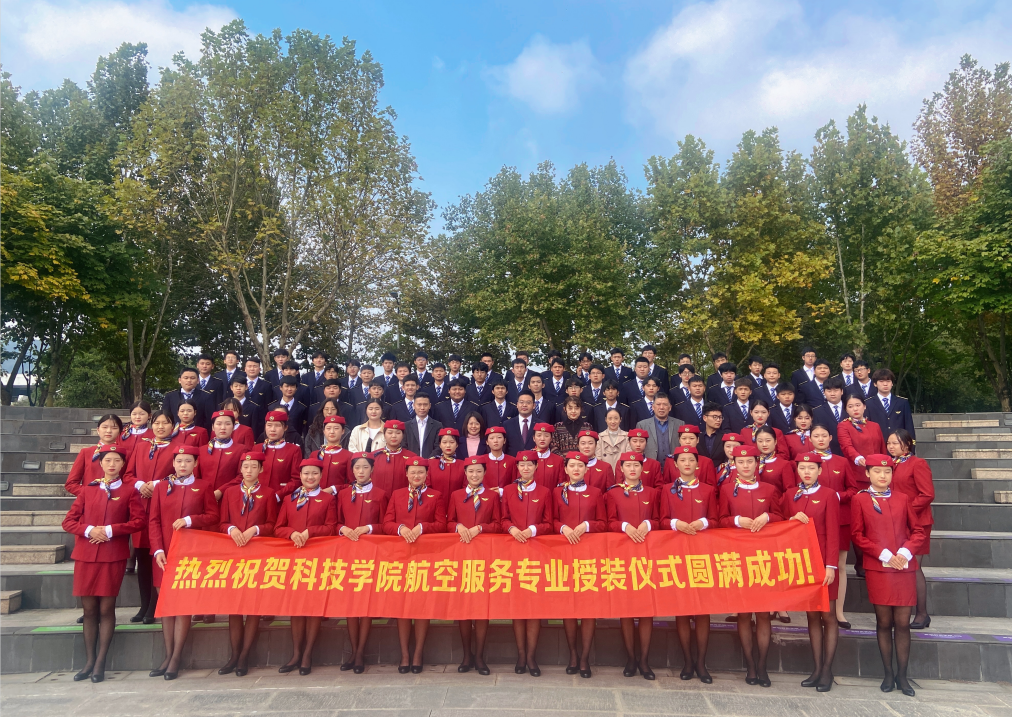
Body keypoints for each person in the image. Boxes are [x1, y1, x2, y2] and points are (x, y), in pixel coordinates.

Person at [62, 445, 145, 683]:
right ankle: (89, 661)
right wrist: (90, 530)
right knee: (89, 610)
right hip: (86, 555)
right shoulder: (88, 490)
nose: (112, 464)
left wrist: (109, 530)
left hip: (112, 555)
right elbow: (68, 522)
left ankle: (100, 662)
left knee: (107, 609)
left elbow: (139, 521)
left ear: (123, 464)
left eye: (117, 460)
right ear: (100, 463)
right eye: (107, 460)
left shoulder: (129, 491)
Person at [850, 455, 925, 697]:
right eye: (877, 471)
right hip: (879, 568)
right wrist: (883, 553)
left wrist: (905, 552)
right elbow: (857, 534)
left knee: (902, 623)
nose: (883, 476)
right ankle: (888, 674)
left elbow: (918, 531)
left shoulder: (903, 498)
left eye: (887, 472)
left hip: (903, 567)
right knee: (883, 622)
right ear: (867, 473)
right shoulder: (860, 499)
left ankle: (903, 676)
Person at [148, 445, 219, 680]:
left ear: (195, 464)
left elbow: (213, 516)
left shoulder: (203, 486)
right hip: (164, 554)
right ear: (173, 463)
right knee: (166, 607)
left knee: (183, 606)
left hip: (191, 553)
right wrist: (157, 549)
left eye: (188, 461)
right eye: (179, 461)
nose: (182, 465)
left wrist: (190, 520)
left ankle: (176, 657)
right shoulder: (161, 487)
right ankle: (168, 655)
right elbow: (153, 521)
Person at [718, 445, 783, 687]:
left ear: (757, 463)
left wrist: (768, 517)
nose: (745, 466)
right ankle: (751, 666)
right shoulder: (726, 490)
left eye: (750, 462)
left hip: (764, 558)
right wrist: (737, 520)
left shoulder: (769, 489)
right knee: (744, 613)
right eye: (741, 462)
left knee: (763, 614)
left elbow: (781, 516)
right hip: (737, 557)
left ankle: (763, 665)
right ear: (734, 464)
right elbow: (720, 520)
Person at [383, 457, 447, 673]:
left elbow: (442, 524)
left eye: (420, 472)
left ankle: (418, 653)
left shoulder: (436, 495)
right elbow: (387, 523)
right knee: (402, 606)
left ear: (426, 475)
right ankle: (404, 654)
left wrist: (422, 527)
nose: (416, 475)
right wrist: (400, 528)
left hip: (425, 557)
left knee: (421, 605)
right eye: (413, 472)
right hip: (400, 556)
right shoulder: (397, 494)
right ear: (406, 474)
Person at [217, 451, 278, 677]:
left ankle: (244, 656)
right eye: (245, 466)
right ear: (240, 469)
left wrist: (256, 529)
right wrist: (231, 529)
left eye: (254, 466)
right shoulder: (230, 492)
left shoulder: (269, 493)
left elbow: (273, 524)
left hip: (257, 553)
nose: (249, 470)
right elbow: (222, 522)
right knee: (234, 607)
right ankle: (234, 655)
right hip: (234, 552)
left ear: (260, 469)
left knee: (253, 606)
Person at [275, 459, 337, 676]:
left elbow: (331, 527)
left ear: (321, 476)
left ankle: (308, 654)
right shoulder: (289, 499)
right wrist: (291, 533)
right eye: (306, 474)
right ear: (300, 476)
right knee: (296, 608)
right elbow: (278, 528)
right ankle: (296, 653)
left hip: (317, 558)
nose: (310, 477)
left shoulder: (328, 499)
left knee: (313, 606)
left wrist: (311, 531)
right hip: (294, 558)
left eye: (314, 473)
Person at [785, 453, 840, 692]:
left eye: (811, 468)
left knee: (828, 616)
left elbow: (834, 532)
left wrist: (831, 565)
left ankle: (827, 670)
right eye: (802, 468)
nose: (806, 472)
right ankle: (816, 669)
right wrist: (790, 518)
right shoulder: (790, 494)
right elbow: (781, 526)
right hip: (802, 563)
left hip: (823, 562)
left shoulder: (828, 495)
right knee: (812, 616)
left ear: (820, 470)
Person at [660, 446, 716, 683]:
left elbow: (716, 519)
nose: (686, 464)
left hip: (702, 555)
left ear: (697, 464)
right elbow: (661, 520)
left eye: (691, 460)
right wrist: (676, 524)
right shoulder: (667, 490)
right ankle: (687, 661)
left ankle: (701, 663)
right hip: (677, 554)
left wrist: (703, 522)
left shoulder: (709, 490)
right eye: (682, 460)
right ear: (675, 465)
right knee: (682, 609)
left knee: (702, 610)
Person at [605, 451, 659, 680]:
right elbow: (608, 521)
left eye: (636, 465)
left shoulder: (652, 493)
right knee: (626, 609)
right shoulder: (613, 493)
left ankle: (645, 660)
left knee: (646, 609)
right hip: (623, 556)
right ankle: (630, 658)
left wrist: (648, 524)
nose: (633, 469)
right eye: (628, 465)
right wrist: (624, 526)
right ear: (621, 469)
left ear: (642, 469)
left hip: (647, 556)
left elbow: (659, 519)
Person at [123, 410, 180, 624]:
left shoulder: (178, 448)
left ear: (173, 426)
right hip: (140, 508)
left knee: (160, 559)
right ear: (151, 425)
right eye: (157, 423)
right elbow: (128, 475)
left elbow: (181, 474)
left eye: (166, 423)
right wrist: (140, 485)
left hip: (164, 510)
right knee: (142, 559)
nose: (160, 426)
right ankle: (144, 604)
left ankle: (157, 605)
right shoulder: (141, 447)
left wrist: (156, 485)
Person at [552, 451, 605, 678]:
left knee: (588, 608)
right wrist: (562, 527)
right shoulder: (557, 492)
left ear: (586, 469)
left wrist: (587, 525)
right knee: (569, 607)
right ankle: (573, 654)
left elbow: (603, 523)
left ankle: (585, 658)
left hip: (589, 556)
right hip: (564, 555)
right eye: (572, 466)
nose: (576, 469)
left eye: (580, 466)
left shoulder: (595, 492)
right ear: (565, 469)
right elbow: (550, 519)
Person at [501, 449, 553, 676]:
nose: (525, 468)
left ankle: (531, 656)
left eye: (529, 465)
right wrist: (511, 528)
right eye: (521, 465)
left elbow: (549, 523)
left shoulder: (544, 492)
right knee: (518, 606)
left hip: (536, 553)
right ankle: (521, 654)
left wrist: (532, 530)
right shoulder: (509, 491)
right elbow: (502, 519)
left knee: (533, 606)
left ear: (536, 467)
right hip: (513, 552)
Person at [335, 453, 388, 673]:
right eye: (357, 468)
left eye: (365, 467)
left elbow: (386, 524)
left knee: (365, 603)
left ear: (372, 470)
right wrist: (342, 529)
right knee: (351, 604)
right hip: (348, 553)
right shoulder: (343, 494)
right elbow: (335, 521)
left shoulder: (380, 494)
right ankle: (353, 650)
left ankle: (359, 654)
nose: (361, 471)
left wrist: (369, 528)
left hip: (370, 554)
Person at [448, 456, 499, 675]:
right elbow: (448, 522)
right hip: (461, 556)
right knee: (463, 607)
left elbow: (498, 524)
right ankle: (466, 655)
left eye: (478, 471)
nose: (475, 475)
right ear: (465, 473)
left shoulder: (492, 496)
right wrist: (458, 526)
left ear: (484, 473)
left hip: (484, 557)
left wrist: (480, 528)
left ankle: (479, 656)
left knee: (481, 607)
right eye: (471, 471)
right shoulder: (456, 495)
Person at [809, 424, 857, 629]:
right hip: (813, 520)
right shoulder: (805, 462)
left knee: (840, 564)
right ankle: (815, 607)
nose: (820, 439)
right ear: (810, 439)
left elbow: (853, 489)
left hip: (840, 519)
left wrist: (837, 496)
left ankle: (838, 611)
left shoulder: (841, 461)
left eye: (824, 435)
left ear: (830, 438)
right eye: (816, 436)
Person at [887, 429, 935, 629]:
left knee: (913, 567)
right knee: (899, 567)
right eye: (889, 443)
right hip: (896, 523)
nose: (891, 447)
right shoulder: (890, 465)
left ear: (907, 445)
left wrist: (905, 511)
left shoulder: (918, 463)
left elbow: (927, 494)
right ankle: (899, 614)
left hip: (917, 523)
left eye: (895, 443)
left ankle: (922, 613)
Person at [65, 414, 124, 496]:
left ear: (120, 432)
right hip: (90, 500)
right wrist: (90, 494)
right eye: (105, 427)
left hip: (117, 500)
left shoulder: (125, 453)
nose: (108, 431)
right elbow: (71, 484)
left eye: (114, 428)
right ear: (98, 430)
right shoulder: (86, 452)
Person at [865, 369, 917, 449]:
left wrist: (910, 449)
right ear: (875, 384)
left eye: (888, 381)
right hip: (877, 447)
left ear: (892, 383)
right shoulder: (868, 403)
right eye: (881, 381)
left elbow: (909, 427)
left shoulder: (902, 402)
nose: (885, 384)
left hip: (899, 447)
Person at [257, 411, 304, 495]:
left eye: (277, 425)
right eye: (269, 425)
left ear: (285, 427)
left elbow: (296, 479)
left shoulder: (294, 450)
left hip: (281, 497)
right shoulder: (256, 448)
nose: (272, 429)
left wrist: (279, 495)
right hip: (258, 496)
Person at [370, 420, 418, 495]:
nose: (394, 436)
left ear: (403, 435)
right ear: (384, 434)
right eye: (390, 433)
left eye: (398, 433)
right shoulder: (373, 456)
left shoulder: (412, 457)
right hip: (377, 499)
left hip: (402, 499)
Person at [163, 367, 216, 432]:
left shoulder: (206, 396)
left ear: (198, 381)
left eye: (192, 378)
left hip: (198, 433)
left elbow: (209, 419)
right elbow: (166, 417)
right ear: (179, 380)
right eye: (186, 378)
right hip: (175, 433)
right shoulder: (170, 396)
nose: (189, 380)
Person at [637, 394, 684, 462]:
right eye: (658, 404)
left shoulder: (680, 424)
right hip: (650, 464)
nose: (661, 407)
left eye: (665, 404)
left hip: (674, 464)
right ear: (653, 407)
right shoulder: (642, 425)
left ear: (670, 407)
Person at [753, 425, 797, 497]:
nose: (764, 444)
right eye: (760, 441)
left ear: (775, 441)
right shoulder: (753, 463)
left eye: (768, 440)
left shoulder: (784, 464)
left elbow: (789, 492)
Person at [428, 428, 466, 504]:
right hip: (434, 504)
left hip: (456, 504)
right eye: (444, 442)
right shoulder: (431, 463)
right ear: (440, 445)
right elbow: (427, 487)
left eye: (452, 442)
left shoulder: (463, 465)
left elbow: (465, 489)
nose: (448, 445)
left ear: (457, 444)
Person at [315, 416, 352, 491]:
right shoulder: (316, 454)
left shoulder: (348, 456)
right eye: (328, 428)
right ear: (324, 431)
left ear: (343, 431)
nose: (332, 431)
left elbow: (352, 484)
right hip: (316, 496)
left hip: (338, 496)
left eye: (336, 428)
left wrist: (334, 489)